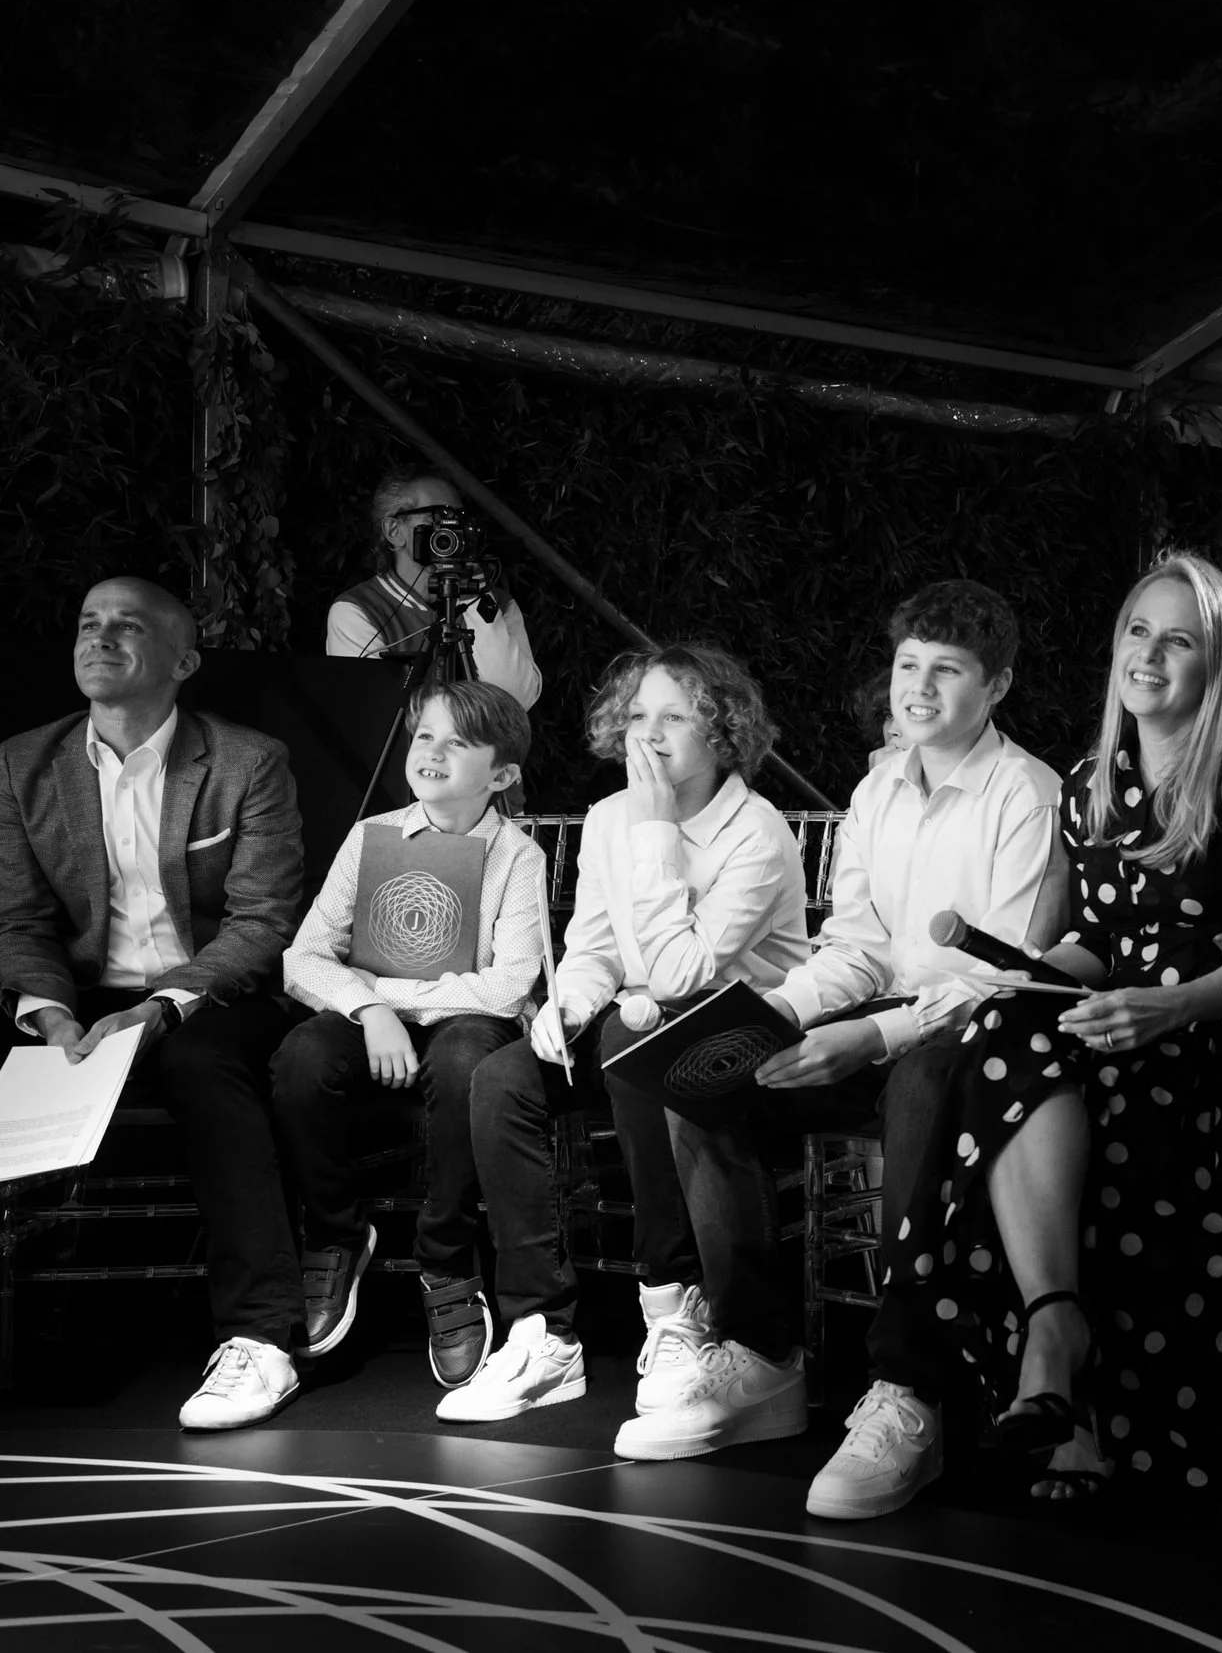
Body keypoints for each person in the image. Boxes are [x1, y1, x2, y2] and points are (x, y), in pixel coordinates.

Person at [883, 552, 1222, 1504]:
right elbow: (1094, 944)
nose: (1150, 655)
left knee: (1096, 1098)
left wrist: (1171, 1006)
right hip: (1118, 1012)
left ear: (1218, 661)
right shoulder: (1091, 779)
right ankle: (1056, 1332)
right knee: (998, 1039)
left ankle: (1083, 1406)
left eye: (1178, 639)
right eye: (1138, 632)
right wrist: (1024, 983)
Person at [633, 581, 1062, 1495]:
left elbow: (1003, 977)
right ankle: (762, 1355)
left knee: (918, 1081)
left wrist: (870, 1037)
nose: (920, 686)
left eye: (948, 669)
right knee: (708, 1073)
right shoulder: (877, 788)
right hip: (884, 1022)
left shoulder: (1026, 793)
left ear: (998, 686)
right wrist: (781, 1011)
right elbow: (858, 945)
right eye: (910, 663)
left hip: (983, 1042)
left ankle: (911, 1389)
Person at [445, 644, 808, 1437]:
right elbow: (599, 946)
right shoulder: (613, 816)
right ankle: (543, 1331)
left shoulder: (755, 829)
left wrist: (656, 836)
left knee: (641, 1035)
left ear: (722, 732)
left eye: (674, 716)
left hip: (740, 1043)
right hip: (634, 1032)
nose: (649, 734)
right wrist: (566, 1001)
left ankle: (674, 1302)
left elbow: (682, 975)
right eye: (638, 715)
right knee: (503, 1076)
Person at [0, 576, 305, 1428]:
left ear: (184, 659)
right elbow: (18, 918)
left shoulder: (248, 762)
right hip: (79, 989)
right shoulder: (23, 763)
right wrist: (49, 1013)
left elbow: (262, 921)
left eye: (127, 626)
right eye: (89, 622)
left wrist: (164, 1006)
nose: (99, 637)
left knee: (204, 1067)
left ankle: (260, 1339)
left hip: (212, 989)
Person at [271, 679, 548, 1389]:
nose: (434, 751)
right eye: (425, 734)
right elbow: (303, 958)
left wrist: (396, 1002)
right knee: (302, 1057)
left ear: (503, 773)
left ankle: (447, 1257)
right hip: (373, 1023)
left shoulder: (518, 856)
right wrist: (370, 1012)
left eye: (460, 741)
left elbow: (511, 982)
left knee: (464, 1061)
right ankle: (336, 1233)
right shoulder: (373, 837)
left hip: (466, 1025)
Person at [326, 467, 544, 709]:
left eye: (458, 518)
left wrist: (474, 597)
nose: (451, 529)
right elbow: (372, 713)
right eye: (437, 517)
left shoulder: (498, 604)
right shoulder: (358, 609)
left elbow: (515, 701)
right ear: (393, 531)